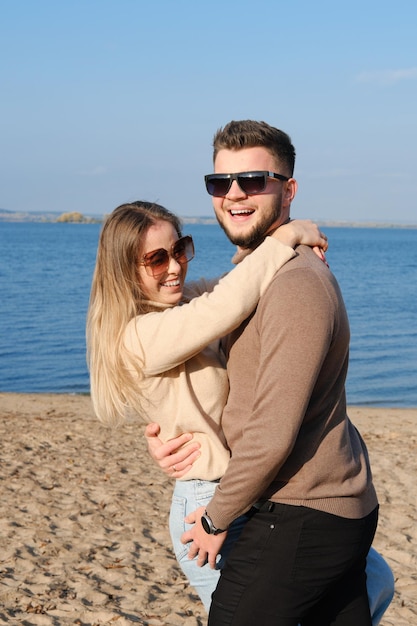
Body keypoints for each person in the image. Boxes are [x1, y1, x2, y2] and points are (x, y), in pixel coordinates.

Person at [146, 121, 395, 625]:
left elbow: (273, 431)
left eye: (253, 180)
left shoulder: (293, 284)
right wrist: (166, 433)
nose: (234, 194)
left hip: (300, 508)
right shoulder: (254, 275)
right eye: (221, 183)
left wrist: (216, 517)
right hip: (314, 503)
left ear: (289, 189)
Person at [86, 200, 327, 594]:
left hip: (239, 487)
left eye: (180, 249)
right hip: (207, 500)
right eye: (157, 259)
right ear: (125, 271)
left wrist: (263, 244)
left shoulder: (182, 304)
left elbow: (240, 283)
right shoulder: (136, 337)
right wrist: (288, 235)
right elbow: (225, 305)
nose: (176, 266)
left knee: (371, 579)